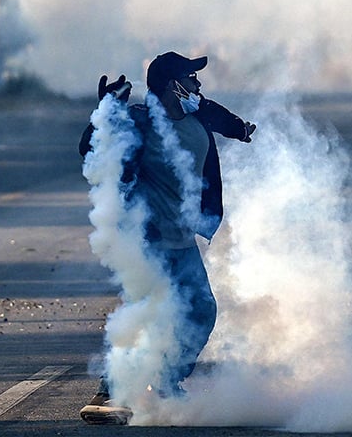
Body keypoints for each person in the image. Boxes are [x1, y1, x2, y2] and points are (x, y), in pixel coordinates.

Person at [78, 52, 256, 425]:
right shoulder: (140, 122)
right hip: (147, 235)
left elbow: (218, 115)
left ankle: (166, 380)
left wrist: (239, 129)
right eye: (191, 78)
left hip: (181, 237)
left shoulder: (196, 114)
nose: (198, 84)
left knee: (202, 310)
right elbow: (91, 147)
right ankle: (109, 391)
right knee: (145, 309)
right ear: (173, 85)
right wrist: (107, 109)